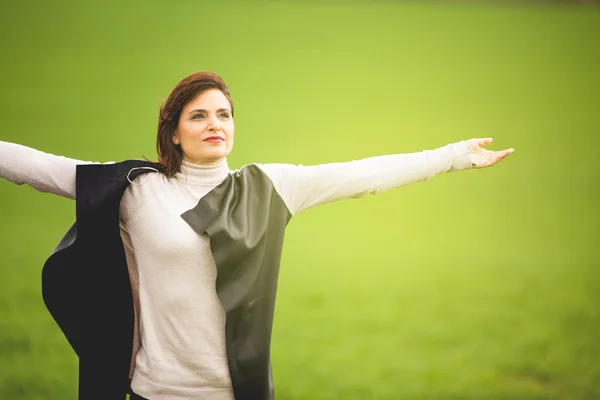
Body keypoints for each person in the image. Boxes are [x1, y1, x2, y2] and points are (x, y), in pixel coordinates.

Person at [0, 71, 514, 400]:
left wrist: (450, 157)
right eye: (198, 115)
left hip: (238, 393)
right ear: (174, 131)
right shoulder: (139, 191)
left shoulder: (269, 188)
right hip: (156, 391)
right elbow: (37, 167)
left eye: (223, 113)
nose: (214, 123)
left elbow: (362, 175)